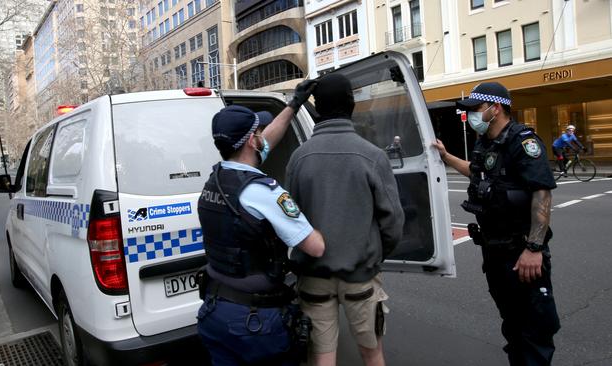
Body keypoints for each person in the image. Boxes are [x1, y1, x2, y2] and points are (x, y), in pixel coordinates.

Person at [196, 81, 326, 366]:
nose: (262, 137)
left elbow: (263, 143)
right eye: (258, 132)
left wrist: (293, 105)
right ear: (252, 140)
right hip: (254, 324)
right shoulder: (263, 192)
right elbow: (315, 247)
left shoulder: (215, 181)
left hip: (215, 312)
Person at [432, 82, 561, 366]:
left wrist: (534, 248)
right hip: (494, 251)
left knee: (534, 331)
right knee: (513, 326)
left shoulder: (522, 141)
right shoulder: (486, 142)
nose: (472, 117)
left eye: (476, 109)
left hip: (521, 252)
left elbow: (542, 192)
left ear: (495, 108)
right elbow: (478, 174)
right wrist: (447, 156)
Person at [285, 73, 405, 366]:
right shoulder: (372, 156)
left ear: (317, 109)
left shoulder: (298, 158)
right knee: (372, 353)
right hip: (360, 277)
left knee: (321, 357)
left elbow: (289, 220)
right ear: (352, 106)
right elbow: (393, 222)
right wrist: (374, 253)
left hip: (313, 278)